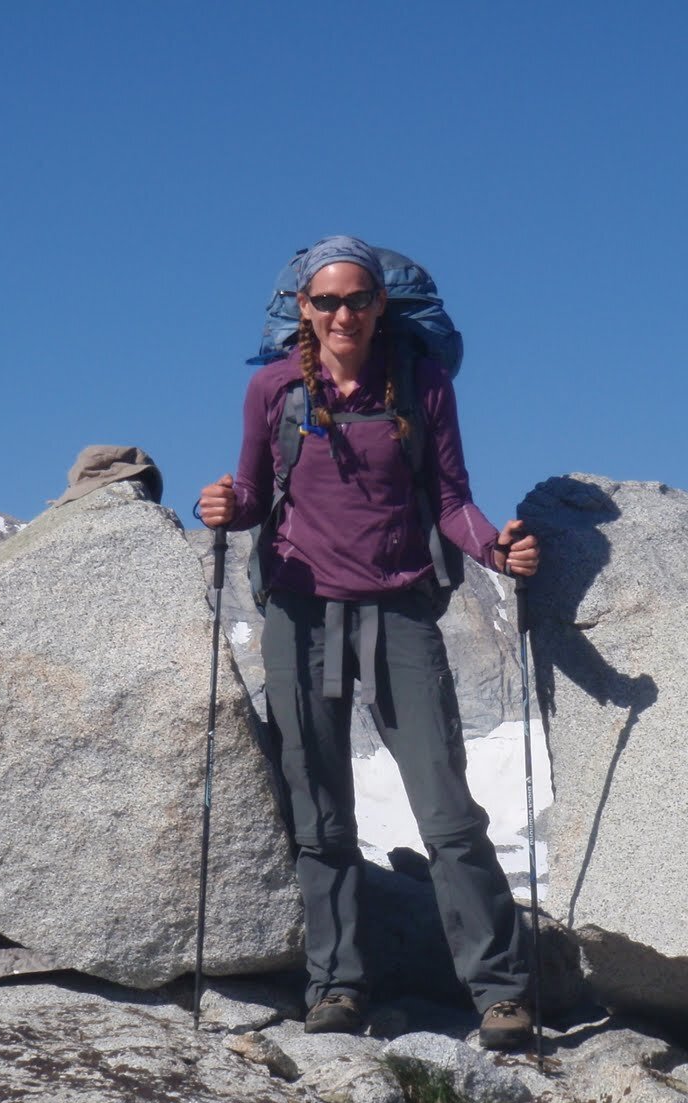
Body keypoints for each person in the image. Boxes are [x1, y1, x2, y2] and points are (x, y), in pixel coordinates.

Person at [198, 236, 541, 1049]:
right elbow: (252, 493)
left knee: (448, 812)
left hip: (400, 613)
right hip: (301, 612)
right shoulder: (273, 389)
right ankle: (336, 987)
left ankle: (500, 992)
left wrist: (496, 548)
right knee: (319, 815)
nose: (342, 314)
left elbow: (451, 499)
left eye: (357, 299)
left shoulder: (420, 385)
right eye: (326, 302)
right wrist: (226, 502)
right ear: (302, 310)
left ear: (381, 305)